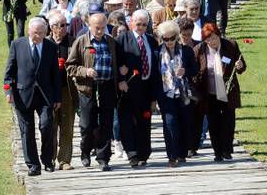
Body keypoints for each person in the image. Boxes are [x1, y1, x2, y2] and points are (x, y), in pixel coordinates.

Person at [66, 12, 125, 171]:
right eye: (97, 28)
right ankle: (85, 151)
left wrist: (121, 76)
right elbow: (70, 66)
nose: (100, 31)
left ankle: (103, 158)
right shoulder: (81, 42)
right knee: (87, 125)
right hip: (88, 89)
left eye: (103, 27)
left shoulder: (111, 42)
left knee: (106, 124)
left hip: (107, 87)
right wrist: (85, 71)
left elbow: (119, 63)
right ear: (89, 26)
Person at [4, 17, 62, 176]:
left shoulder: (51, 46)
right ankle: (33, 165)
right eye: (35, 33)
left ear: (46, 33)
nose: (38, 36)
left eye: (42, 33)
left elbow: (55, 75)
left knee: (46, 125)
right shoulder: (17, 45)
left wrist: (57, 97)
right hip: (23, 94)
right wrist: (8, 92)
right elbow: (9, 72)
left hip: (45, 95)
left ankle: (47, 160)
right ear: (29, 31)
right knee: (26, 130)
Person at [194, 23, 246, 162]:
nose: (212, 42)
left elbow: (241, 65)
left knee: (229, 122)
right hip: (209, 93)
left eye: (215, 38)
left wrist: (239, 66)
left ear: (219, 35)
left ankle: (227, 150)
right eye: (209, 40)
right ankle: (217, 152)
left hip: (228, 91)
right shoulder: (200, 49)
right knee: (214, 123)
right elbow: (194, 70)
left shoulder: (230, 45)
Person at [154, 20, 198, 167]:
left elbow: (195, 70)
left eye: (172, 38)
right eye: (165, 39)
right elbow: (154, 76)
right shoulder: (157, 52)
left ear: (177, 36)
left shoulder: (186, 51)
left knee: (184, 122)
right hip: (166, 93)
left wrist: (185, 71)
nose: (169, 41)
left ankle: (182, 152)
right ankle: (172, 156)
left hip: (183, 93)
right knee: (170, 123)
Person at [116, 9, 158, 167]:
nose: (140, 27)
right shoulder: (122, 39)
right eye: (138, 24)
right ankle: (132, 153)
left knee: (144, 121)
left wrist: (154, 97)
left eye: (144, 25)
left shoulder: (151, 40)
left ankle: (143, 153)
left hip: (146, 88)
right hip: (128, 88)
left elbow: (155, 68)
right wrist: (121, 79)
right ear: (131, 22)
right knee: (126, 122)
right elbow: (117, 62)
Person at [46, 11, 75, 170]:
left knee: (67, 125)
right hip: (49, 91)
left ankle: (64, 160)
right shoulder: (45, 43)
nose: (65, 28)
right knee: (50, 125)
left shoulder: (72, 42)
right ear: (52, 27)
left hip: (67, 89)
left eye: (66, 25)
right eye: (61, 25)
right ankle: (49, 158)